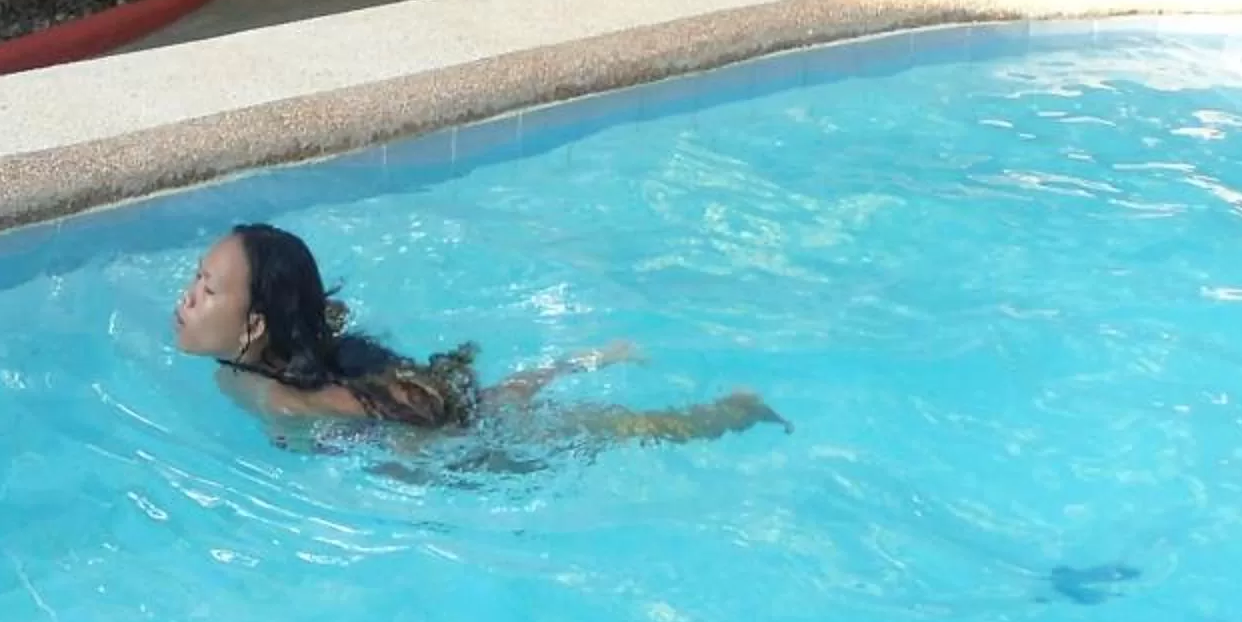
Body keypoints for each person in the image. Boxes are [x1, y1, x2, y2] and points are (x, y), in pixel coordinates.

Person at [170, 222, 786, 441]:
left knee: (598, 431)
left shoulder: (276, 395)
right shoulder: (251, 367)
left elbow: (385, 414)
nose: (188, 296)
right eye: (197, 278)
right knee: (496, 398)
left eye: (207, 288)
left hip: (437, 436)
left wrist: (418, 453)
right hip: (392, 386)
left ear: (254, 326)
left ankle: (729, 413)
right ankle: (582, 361)